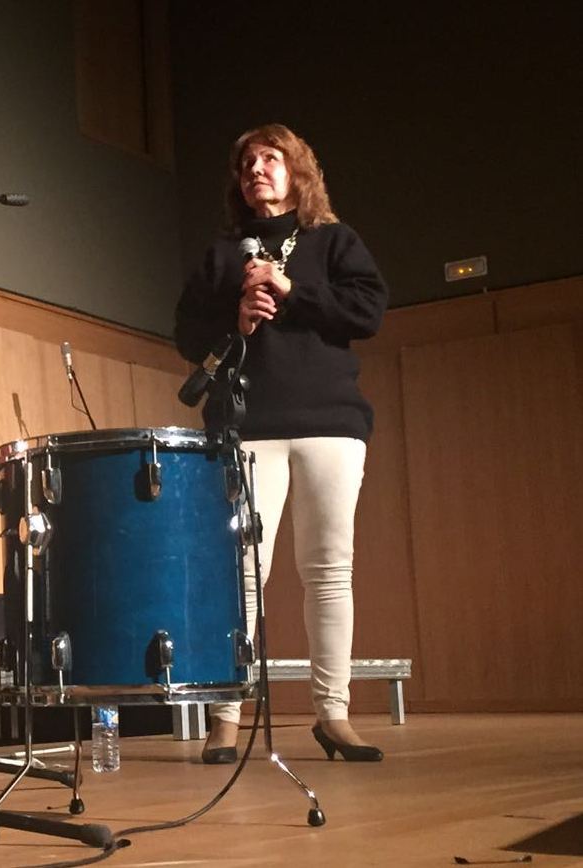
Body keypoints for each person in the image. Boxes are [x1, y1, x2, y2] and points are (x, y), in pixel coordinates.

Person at [174, 123, 388, 764]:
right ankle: (225, 716)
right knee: (241, 573)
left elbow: (368, 313)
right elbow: (186, 334)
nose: (256, 169)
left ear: (298, 172)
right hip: (247, 424)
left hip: (330, 422)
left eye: (270, 158)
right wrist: (233, 319)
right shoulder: (221, 255)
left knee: (328, 570)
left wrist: (293, 290)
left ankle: (333, 714)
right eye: (246, 162)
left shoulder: (333, 241)